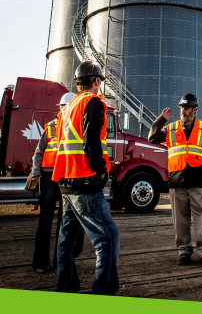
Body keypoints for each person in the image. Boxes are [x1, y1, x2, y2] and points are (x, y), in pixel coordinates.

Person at [52, 61, 120, 295]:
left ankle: (66, 290)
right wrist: (100, 168)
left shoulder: (68, 107)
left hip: (67, 183)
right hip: (85, 182)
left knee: (67, 243)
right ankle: (103, 294)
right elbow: (91, 142)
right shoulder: (92, 103)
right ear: (96, 81)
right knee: (108, 239)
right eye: (99, 81)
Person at [148, 93, 202, 267]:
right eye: (182, 108)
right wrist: (161, 120)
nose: (183, 111)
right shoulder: (170, 128)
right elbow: (152, 138)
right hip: (177, 180)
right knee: (180, 220)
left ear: (194, 110)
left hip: (197, 180)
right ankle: (184, 251)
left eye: (186, 108)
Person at [30, 92, 75, 272]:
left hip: (65, 177)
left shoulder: (75, 127)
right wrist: (35, 173)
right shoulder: (51, 128)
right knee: (46, 220)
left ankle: (59, 263)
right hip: (49, 178)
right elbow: (39, 152)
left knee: (64, 222)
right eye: (63, 107)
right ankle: (41, 262)